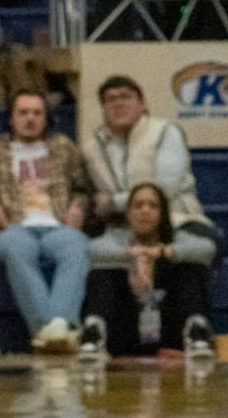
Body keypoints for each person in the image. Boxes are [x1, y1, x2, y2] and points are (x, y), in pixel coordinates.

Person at [0, 90, 92, 353]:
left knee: (77, 245)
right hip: (10, 228)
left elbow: (83, 188)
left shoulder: (63, 147)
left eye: (37, 113)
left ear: (46, 118)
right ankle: (50, 329)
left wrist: (78, 206)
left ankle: (57, 324)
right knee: (18, 248)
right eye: (23, 112)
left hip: (56, 225)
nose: (30, 119)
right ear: (11, 118)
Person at [80, 76, 217, 274]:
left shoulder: (165, 132)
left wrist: (113, 203)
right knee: (89, 257)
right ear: (103, 109)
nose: (118, 103)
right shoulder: (91, 148)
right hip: (120, 227)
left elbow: (164, 190)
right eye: (110, 99)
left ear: (142, 104)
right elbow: (93, 198)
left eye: (125, 97)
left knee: (198, 251)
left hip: (176, 219)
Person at [80, 183, 215, 360]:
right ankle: (94, 334)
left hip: (167, 327)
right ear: (128, 212)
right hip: (126, 328)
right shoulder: (117, 237)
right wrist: (131, 255)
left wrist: (163, 252)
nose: (145, 211)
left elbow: (208, 248)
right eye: (138, 205)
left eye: (153, 205)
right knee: (102, 272)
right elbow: (93, 250)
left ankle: (196, 332)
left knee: (190, 268)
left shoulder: (174, 237)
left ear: (162, 213)